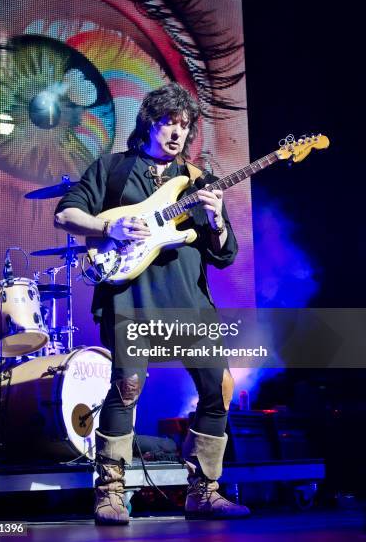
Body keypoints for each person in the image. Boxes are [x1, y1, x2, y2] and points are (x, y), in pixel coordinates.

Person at [54, 82, 250, 524]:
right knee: (126, 391)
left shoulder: (199, 181)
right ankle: (110, 492)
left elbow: (224, 254)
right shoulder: (114, 169)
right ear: (149, 122)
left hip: (188, 301)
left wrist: (216, 217)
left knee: (219, 391)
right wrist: (112, 229)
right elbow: (65, 214)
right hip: (133, 298)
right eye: (169, 122)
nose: (177, 132)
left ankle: (204, 490)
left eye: (185, 125)